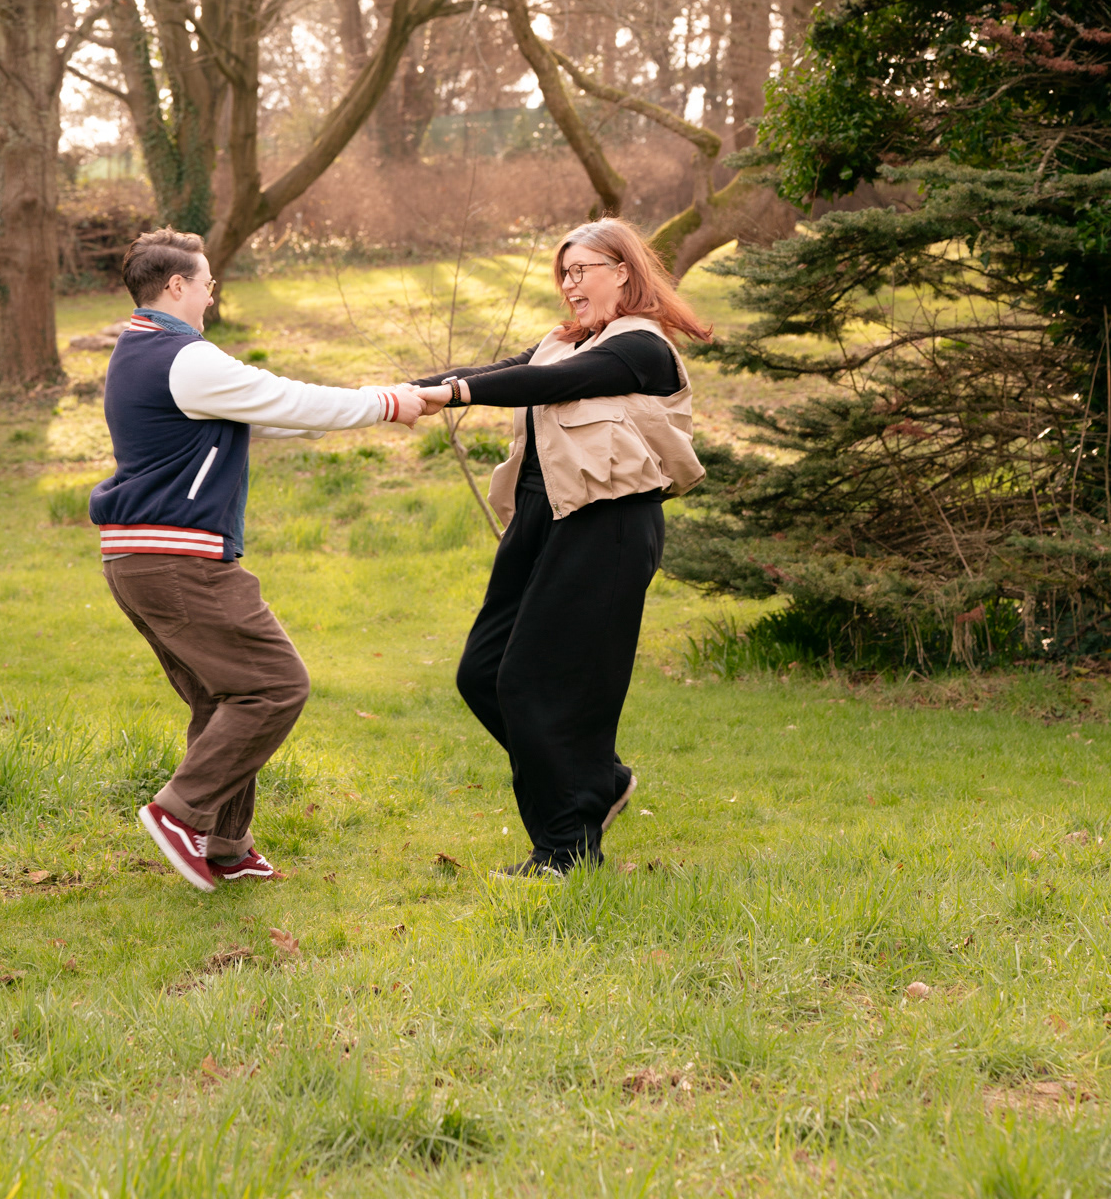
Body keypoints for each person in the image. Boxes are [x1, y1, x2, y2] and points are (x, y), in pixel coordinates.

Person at [92, 228, 426, 892]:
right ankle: (179, 815)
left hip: (139, 557)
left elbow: (263, 415)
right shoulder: (182, 356)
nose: (213, 294)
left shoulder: (141, 351)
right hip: (178, 560)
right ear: (177, 285)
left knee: (224, 698)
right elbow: (284, 396)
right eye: (207, 281)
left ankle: (225, 845)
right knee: (274, 684)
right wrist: (385, 402)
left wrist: (381, 404)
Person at [411, 219, 709, 878]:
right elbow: (506, 372)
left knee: (532, 682)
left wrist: (454, 393)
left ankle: (564, 848)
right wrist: (405, 391)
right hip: (541, 520)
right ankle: (594, 784)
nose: (569, 285)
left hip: (608, 525)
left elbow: (547, 386)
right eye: (564, 273)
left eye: (582, 270)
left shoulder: (641, 348)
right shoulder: (561, 344)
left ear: (623, 272)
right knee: (483, 673)